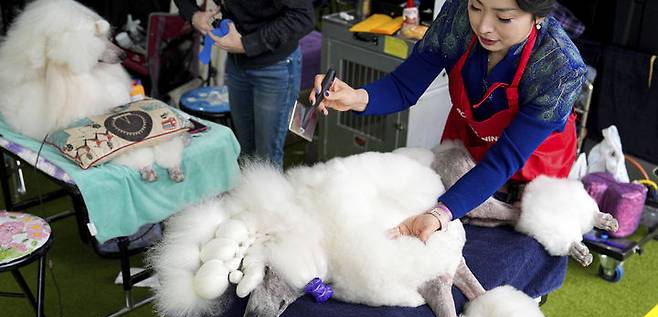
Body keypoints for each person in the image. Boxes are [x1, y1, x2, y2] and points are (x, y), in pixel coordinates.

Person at [312, 0, 586, 241]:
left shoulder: (560, 67)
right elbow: (403, 87)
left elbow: (505, 158)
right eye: (476, 7)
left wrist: (441, 213)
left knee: (526, 227)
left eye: (504, 18)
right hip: (470, 136)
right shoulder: (457, 19)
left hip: (532, 157)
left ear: (537, 17)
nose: (484, 27)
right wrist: (356, 97)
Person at [174, 0, 314, 168]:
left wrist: (246, 44)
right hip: (237, 62)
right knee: (244, 151)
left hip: (276, 65)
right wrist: (193, 14)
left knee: (266, 159)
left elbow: (302, 16)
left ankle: (266, 194)